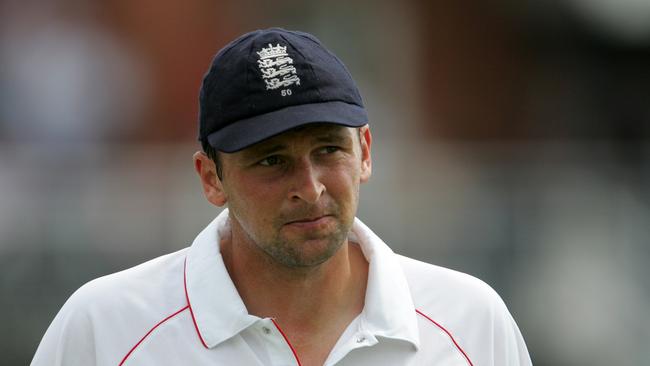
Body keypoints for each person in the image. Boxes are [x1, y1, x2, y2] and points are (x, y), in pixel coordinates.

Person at [32, 28, 532, 366]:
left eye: (328, 149)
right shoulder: (104, 326)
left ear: (365, 153)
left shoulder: (470, 322)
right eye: (272, 160)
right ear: (211, 178)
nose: (310, 187)